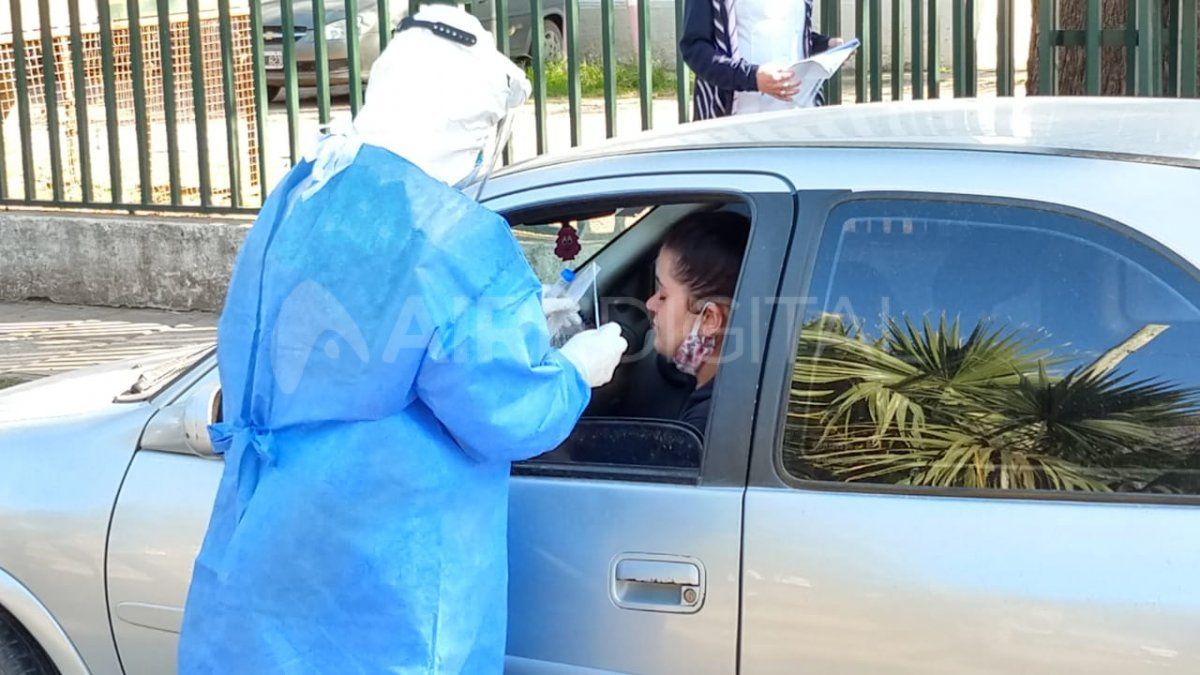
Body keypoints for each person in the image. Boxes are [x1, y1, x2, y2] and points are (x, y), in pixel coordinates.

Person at [177, 4, 627, 673]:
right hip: (385, 600)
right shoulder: (457, 238)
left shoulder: (301, 192)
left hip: (268, 560)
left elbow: (276, 340)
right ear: (466, 123)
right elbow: (509, 410)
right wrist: (574, 372)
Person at [645, 212, 750, 437]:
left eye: (663, 295)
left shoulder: (702, 431)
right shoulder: (738, 396)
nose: (650, 303)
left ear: (709, 319)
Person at [680, 0, 842, 120]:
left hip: (799, 114)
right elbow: (694, 48)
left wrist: (825, 45)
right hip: (739, 118)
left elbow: (791, 32)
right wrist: (752, 77)